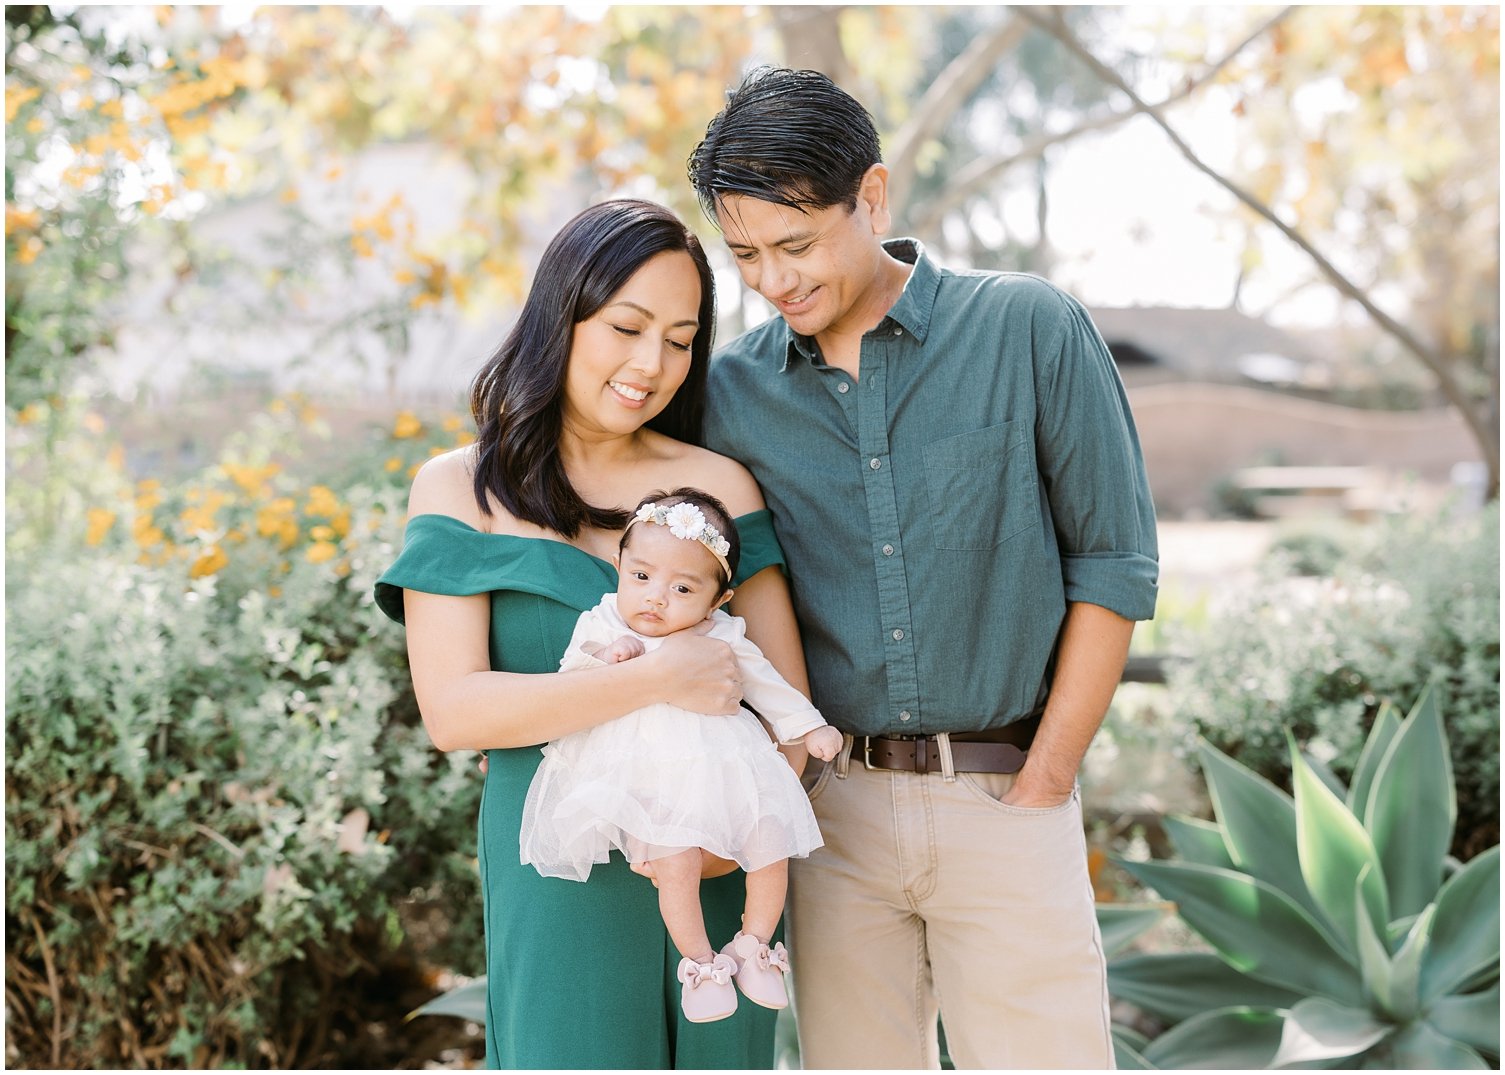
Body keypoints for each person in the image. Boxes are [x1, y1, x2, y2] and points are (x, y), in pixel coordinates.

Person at [686, 68, 1159, 1069]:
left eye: (796, 245)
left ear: (871, 196)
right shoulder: (729, 394)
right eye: (746, 257)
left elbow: (1112, 564)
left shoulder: (1027, 328)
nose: (774, 281)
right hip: (828, 817)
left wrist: (1047, 777)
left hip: (1004, 795)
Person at [374, 198, 815, 1069]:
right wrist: (656, 675)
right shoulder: (461, 487)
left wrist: (722, 854)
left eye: (682, 339)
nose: (652, 363)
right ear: (561, 312)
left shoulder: (717, 484)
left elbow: (790, 711)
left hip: (715, 872)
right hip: (557, 874)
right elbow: (456, 712)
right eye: (627, 326)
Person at [520, 487, 843, 1024]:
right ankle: (700, 965)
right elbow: (568, 685)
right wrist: (611, 660)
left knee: (770, 842)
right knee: (677, 864)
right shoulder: (604, 624)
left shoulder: (724, 634)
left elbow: (767, 683)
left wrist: (809, 728)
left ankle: (753, 945)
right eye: (641, 577)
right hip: (651, 781)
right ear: (619, 566)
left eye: (683, 587)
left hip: (725, 768)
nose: (656, 598)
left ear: (717, 599)